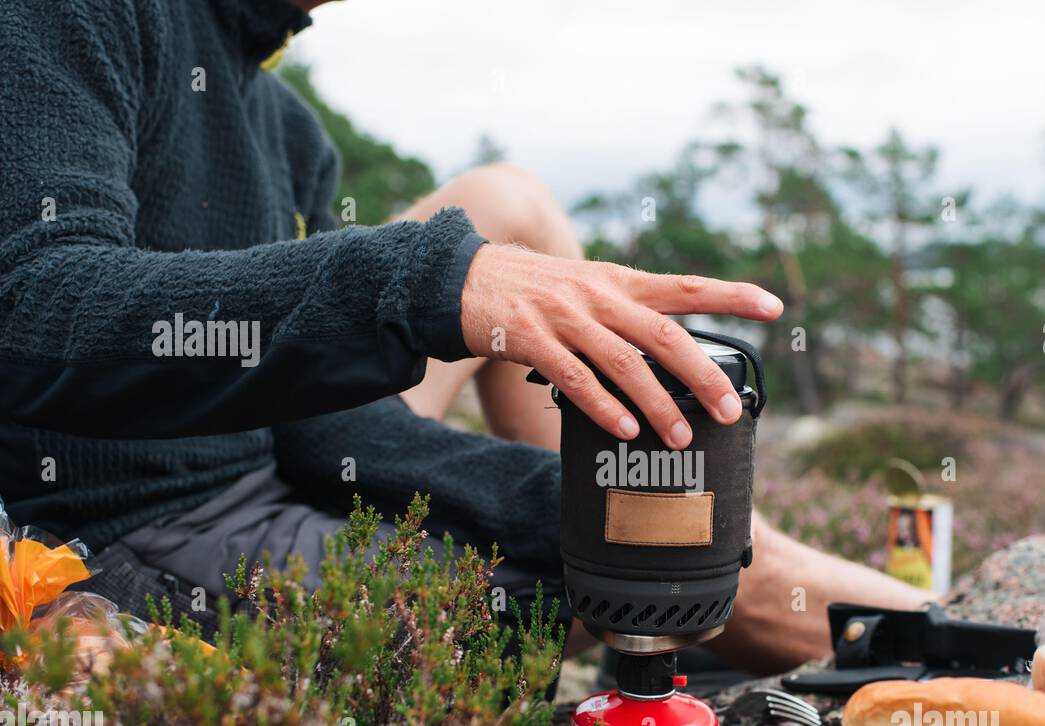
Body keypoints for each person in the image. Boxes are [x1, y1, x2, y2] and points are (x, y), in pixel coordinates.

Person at [0, 0, 929, 676]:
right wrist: (434, 282)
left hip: (259, 469)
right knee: (638, 555)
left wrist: (551, 496)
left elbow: (315, 412)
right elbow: (31, 304)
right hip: (125, 525)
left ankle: (943, 637)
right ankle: (973, 648)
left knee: (627, 518)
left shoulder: (285, 128)